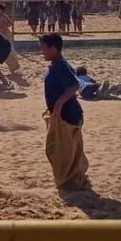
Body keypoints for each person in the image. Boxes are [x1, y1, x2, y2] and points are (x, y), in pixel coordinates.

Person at [39, 34, 89, 191]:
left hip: (68, 115)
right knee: (61, 150)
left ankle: (70, 182)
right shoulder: (55, 64)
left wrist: (59, 105)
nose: (42, 52)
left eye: (43, 48)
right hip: (62, 114)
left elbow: (74, 85)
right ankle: (70, 180)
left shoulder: (60, 65)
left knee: (60, 152)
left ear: (53, 48)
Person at [0, 3, 20, 72]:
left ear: (1, 10)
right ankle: (13, 66)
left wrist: (4, 27)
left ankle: (14, 66)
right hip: (1, 37)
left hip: (5, 36)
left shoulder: (3, 17)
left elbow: (11, 23)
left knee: (7, 52)